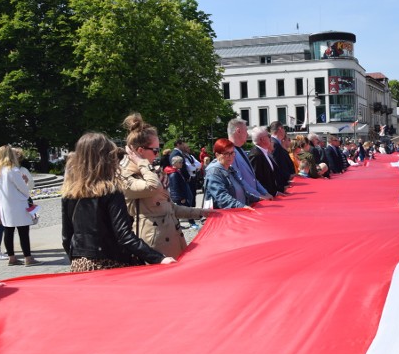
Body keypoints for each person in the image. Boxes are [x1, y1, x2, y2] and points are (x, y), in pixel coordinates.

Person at [61, 133, 174, 272]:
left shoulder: (69, 193)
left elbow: (66, 238)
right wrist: (158, 258)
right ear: (105, 158)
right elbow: (124, 236)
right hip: (109, 264)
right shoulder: (111, 190)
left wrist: (77, 261)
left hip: (80, 265)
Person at [119, 114, 209, 258]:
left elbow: (169, 208)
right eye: (155, 150)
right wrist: (141, 162)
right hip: (152, 244)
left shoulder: (150, 171)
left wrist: (201, 213)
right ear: (140, 151)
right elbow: (153, 187)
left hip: (171, 236)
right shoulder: (126, 173)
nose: (158, 154)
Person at [0, 145, 37, 266]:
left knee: (8, 231)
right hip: (18, 204)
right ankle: (28, 257)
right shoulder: (12, 170)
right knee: (23, 232)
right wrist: (26, 182)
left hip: (4, 204)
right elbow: (24, 189)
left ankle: (11, 257)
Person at [203, 138, 262, 209]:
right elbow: (221, 197)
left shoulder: (230, 169)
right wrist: (242, 206)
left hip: (237, 213)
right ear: (217, 155)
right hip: (224, 216)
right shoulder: (214, 172)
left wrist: (258, 199)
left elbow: (243, 192)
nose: (230, 156)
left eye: (232, 153)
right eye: (226, 153)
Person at [227, 118, 273, 201]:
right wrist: (259, 196)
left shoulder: (241, 151)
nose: (247, 134)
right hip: (243, 202)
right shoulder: (229, 154)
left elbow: (253, 178)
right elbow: (240, 180)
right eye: (246, 130)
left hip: (251, 199)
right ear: (238, 131)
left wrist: (265, 193)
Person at [248, 126, 286, 195]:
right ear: (262, 139)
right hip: (267, 196)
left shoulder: (263, 152)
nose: (270, 138)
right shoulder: (256, 155)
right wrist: (272, 193)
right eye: (268, 136)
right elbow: (257, 180)